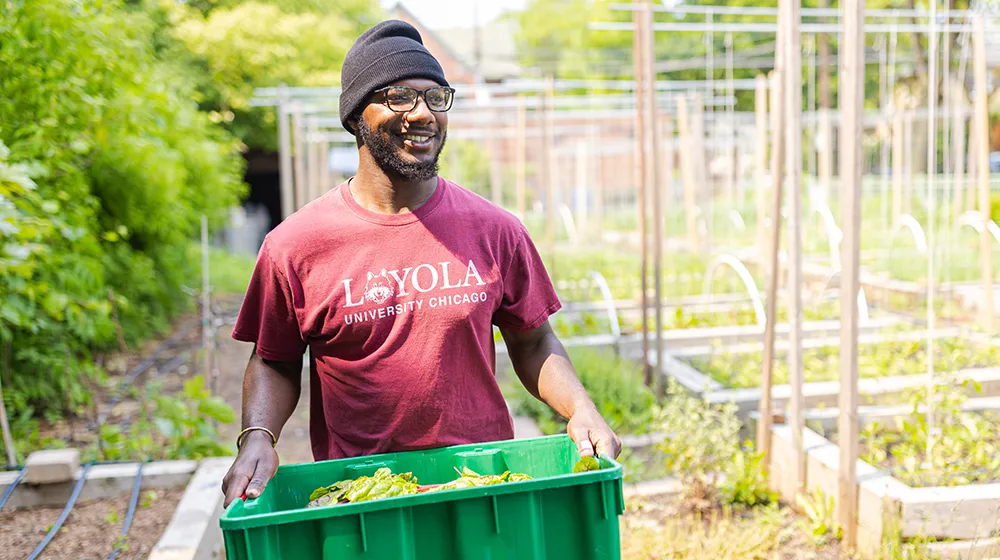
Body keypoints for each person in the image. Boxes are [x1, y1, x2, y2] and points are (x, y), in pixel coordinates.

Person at [221, 19, 621, 507]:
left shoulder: (495, 230)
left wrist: (580, 408)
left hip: (480, 485)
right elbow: (274, 359)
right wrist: (258, 436)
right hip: (362, 496)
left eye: (435, 97)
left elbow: (533, 340)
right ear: (356, 115)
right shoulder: (296, 246)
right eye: (399, 96)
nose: (423, 113)